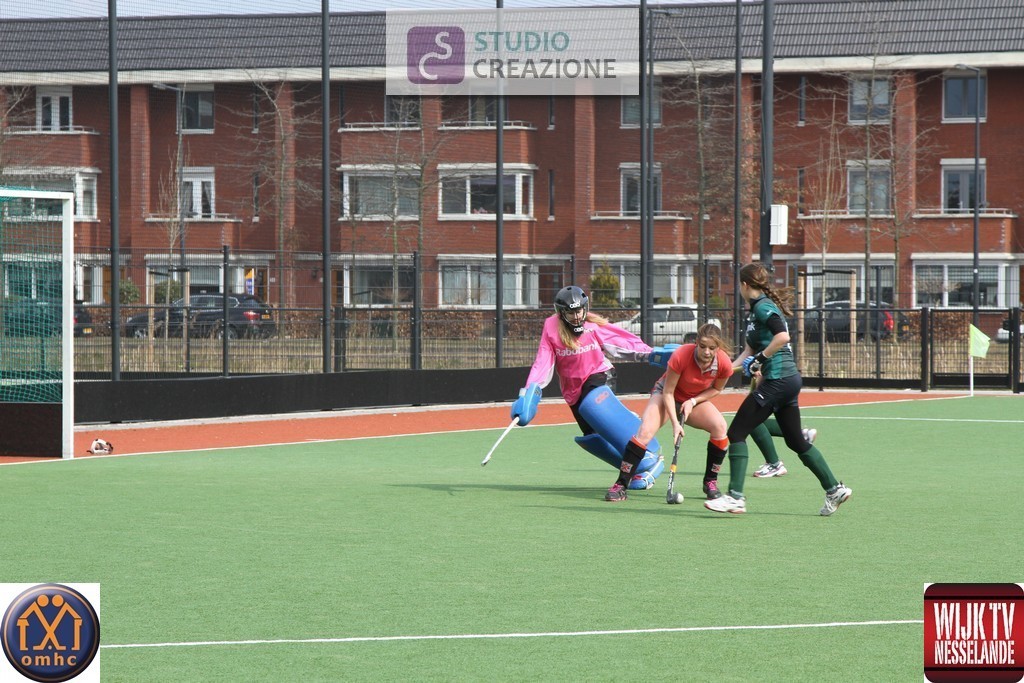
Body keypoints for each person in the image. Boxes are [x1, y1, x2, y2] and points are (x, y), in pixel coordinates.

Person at [705, 263, 852, 516]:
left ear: (744, 285)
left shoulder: (763, 307)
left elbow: (782, 337)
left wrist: (761, 359)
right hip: (787, 380)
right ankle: (834, 489)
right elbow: (749, 351)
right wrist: (724, 370)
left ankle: (735, 497)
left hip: (778, 379)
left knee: (737, 432)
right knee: (796, 440)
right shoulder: (756, 311)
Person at [608, 323, 808, 503]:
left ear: (718, 347)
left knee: (720, 427)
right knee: (644, 432)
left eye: (712, 348)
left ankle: (710, 482)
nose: (706, 352)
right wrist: (676, 424)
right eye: (702, 346)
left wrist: (693, 401)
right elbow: (668, 392)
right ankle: (621, 484)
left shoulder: (723, 364)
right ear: (696, 342)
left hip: (692, 399)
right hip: (666, 395)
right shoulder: (681, 356)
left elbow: (716, 389)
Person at [510, 285, 678, 495]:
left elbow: (620, 343)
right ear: (561, 313)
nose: (577, 316)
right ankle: (637, 469)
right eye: (571, 312)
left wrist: (651, 353)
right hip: (573, 390)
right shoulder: (551, 329)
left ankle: (645, 449)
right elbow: (543, 361)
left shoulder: (592, 325)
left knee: (594, 407)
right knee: (593, 437)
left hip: (598, 375)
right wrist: (529, 393)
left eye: (579, 310)